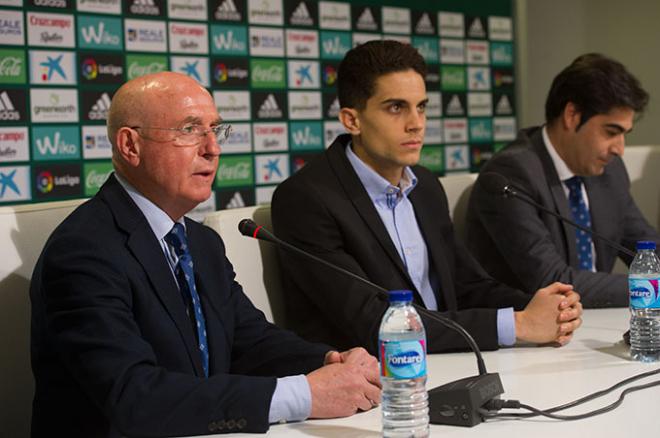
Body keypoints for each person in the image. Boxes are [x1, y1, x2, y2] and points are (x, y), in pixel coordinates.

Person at [29, 72, 380, 438]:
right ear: (130, 146)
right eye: (189, 129)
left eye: (215, 130)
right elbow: (134, 397)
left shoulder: (199, 241)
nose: (212, 148)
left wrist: (331, 364)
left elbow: (249, 341)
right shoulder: (83, 251)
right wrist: (305, 395)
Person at [271, 40, 583, 356]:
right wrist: (519, 324)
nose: (416, 123)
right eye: (396, 107)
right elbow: (373, 324)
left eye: (421, 106)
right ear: (352, 120)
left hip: (447, 361)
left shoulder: (426, 186)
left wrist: (544, 308)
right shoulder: (307, 199)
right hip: (376, 383)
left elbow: (467, 286)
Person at [466, 53, 660, 308]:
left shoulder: (609, 171)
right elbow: (553, 281)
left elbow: (646, 248)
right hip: (528, 339)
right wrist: (650, 289)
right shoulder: (511, 174)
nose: (619, 149)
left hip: (593, 323)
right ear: (572, 115)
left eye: (625, 134)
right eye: (611, 132)